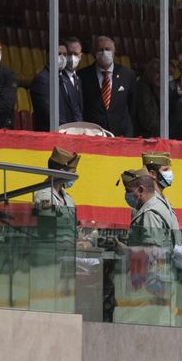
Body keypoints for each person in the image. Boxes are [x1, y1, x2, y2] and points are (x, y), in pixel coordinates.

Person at [108, 168, 181, 325]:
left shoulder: (149, 213)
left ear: (140, 190)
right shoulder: (161, 206)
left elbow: (151, 253)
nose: (127, 196)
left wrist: (124, 250)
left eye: (129, 191)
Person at [30, 147, 81, 313]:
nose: (74, 176)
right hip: (49, 258)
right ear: (60, 171)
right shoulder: (45, 195)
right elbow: (48, 228)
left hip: (66, 257)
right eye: (71, 172)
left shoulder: (68, 198)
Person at [80, 36, 137, 137]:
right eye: (100, 50)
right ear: (94, 53)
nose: (104, 53)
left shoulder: (127, 74)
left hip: (121, 134)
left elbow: (133, 106)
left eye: (107, 49)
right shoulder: (82, 76)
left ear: (114, 51)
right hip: (94, 134)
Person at [30, 38, 86, 133]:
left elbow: (76, 108)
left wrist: (79, 129)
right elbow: (48, 112)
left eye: (64, 54)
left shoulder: (65, 78)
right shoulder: (42, 80)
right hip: (50, 134)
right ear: (48, 55)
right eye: (58, 54)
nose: (62, 58)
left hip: (70, 135)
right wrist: (68, 130)